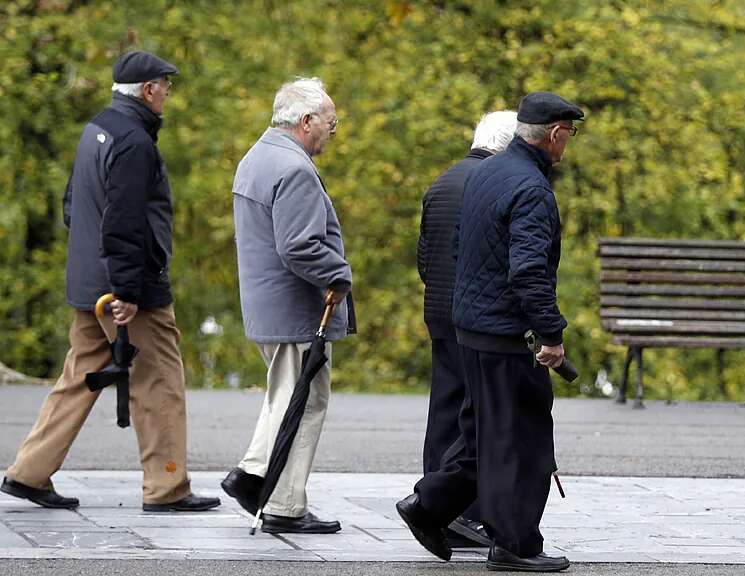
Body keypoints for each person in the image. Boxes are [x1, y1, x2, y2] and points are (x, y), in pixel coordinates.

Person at [2, 51, 220, 513]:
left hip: (89, 281)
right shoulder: (135, 143)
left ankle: (29, 472)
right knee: (159, 381)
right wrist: (126, 290)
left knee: (80, 377)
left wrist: (96, 272)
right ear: (147, 90)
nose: (168, 93)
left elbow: (72, 205)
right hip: (126, 290)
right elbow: (123, 222)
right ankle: (167, 487)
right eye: (165, 85)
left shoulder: (97, 129)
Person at [395, 91, 582, 573]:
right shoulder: (532, 190)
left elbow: (459, 249)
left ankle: (429, 506)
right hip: (506, 335)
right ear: (556, 134)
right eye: (571, 133)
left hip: (471, 330)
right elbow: (528, 272)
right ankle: (515, 544)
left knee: (481, 437)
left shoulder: (486, 174)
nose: (569, 143)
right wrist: (551, 334)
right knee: (523, 440)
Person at [220, 77, 353, 535]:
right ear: (306, 121)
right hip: (295, 309)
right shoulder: (293, 168)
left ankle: (258, 478)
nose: (333, 131)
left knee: (286, 396)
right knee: (304, 401)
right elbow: (299, 246)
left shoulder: (256, 157)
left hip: (267, 305)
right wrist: (339, 274)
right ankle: (281, 500)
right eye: (330, 123)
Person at [416, 110, 519, 549]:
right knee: (478, 417)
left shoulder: (442, 181)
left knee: (444, 411)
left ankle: (432, 506)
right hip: (475, 318)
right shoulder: (493, 183)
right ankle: (463, 513)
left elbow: (424, 254)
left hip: (438, 311)